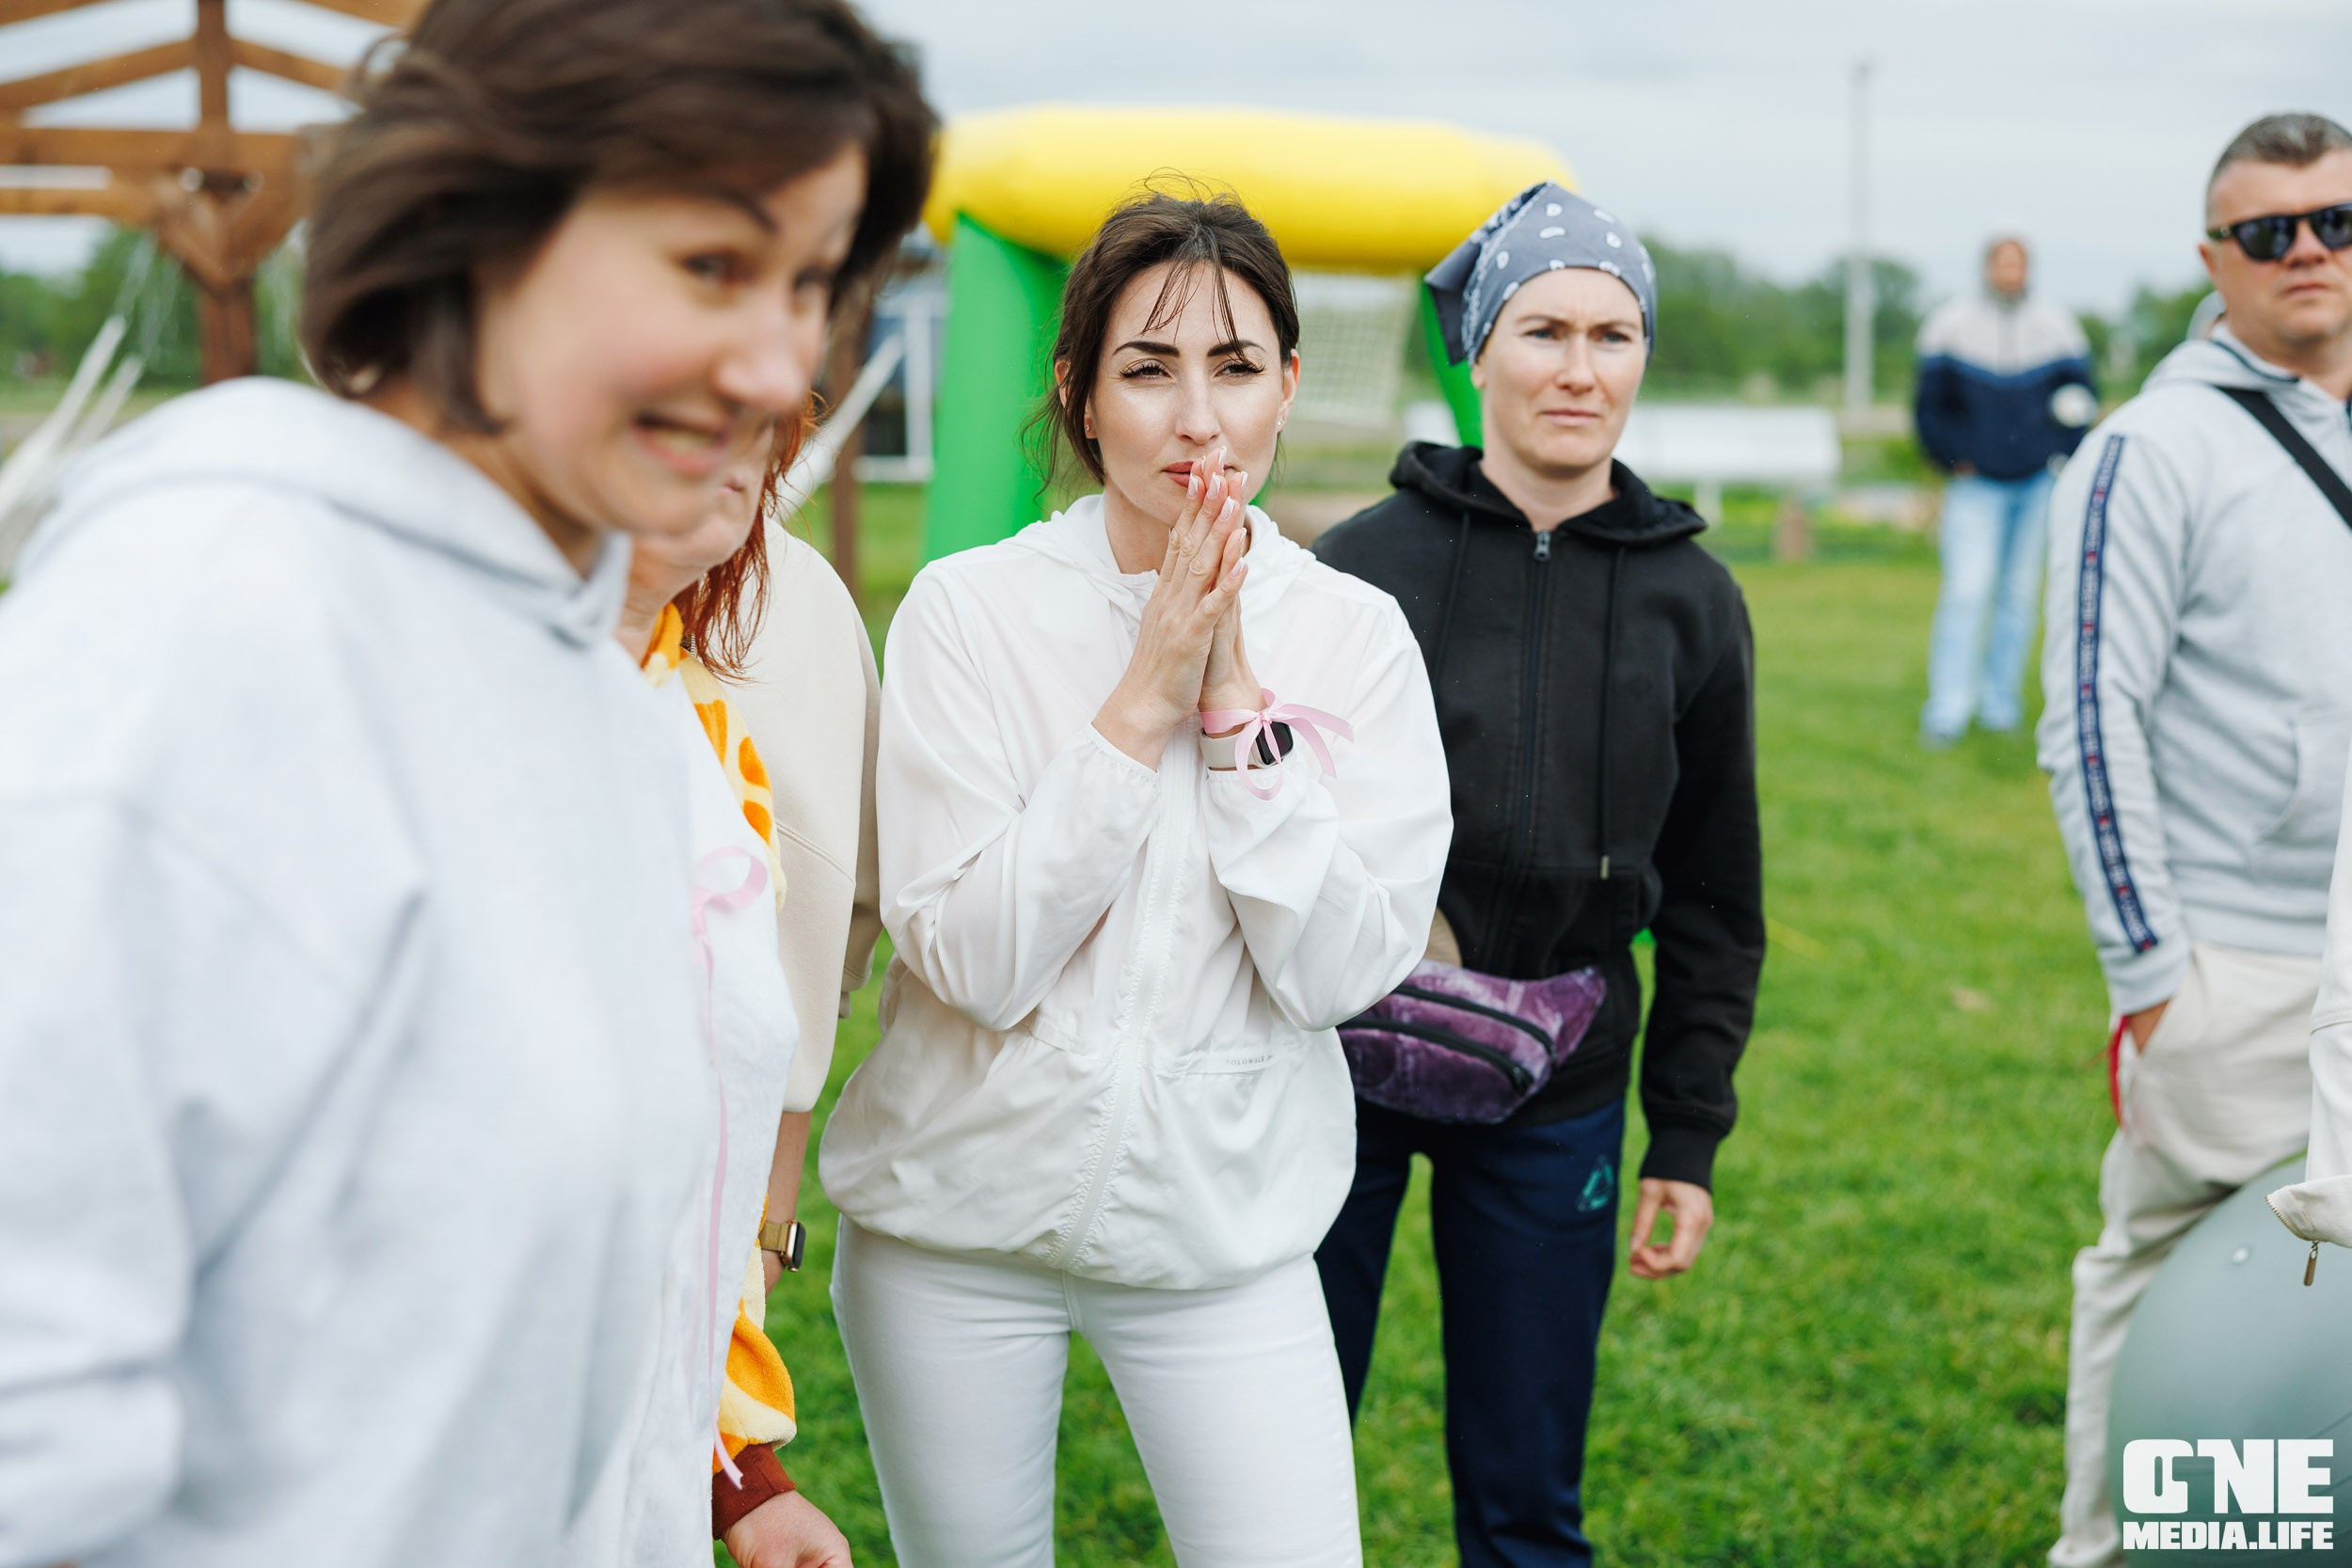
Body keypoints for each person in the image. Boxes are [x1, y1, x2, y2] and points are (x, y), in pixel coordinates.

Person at [0, 1, 930, 1564]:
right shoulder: (202, 634)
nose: (783, 369)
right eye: (715, 265)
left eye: (811, 289)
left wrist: (713, 1485)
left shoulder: (615, 716)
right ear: (471, 226)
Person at [817, 189, 1454, 1568]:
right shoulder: (968, 612)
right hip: (954, 1231)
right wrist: (1144, 695)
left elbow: (1343, 970)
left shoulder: (1357, 636)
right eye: (1147, 368)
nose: (1196, 416)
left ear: (1290, 384)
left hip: (1223, 1239)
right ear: (1081, 398)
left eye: (1234, 366)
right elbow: (974, 958)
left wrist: (1234, 718)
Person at [1309, 183, 1764, 1567]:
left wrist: (1683, 1128)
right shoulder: (1359, 567)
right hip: (1336, 1070)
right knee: (1275, 1464)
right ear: (1480, 351)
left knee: (1524, 1495)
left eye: (1613, 335)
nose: (1579, 368)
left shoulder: (1695, 598)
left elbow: (1716, 885)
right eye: (1544, 329)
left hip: (1559, 1084)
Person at [2036, 111, 2352, 1568]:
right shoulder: (2147, 447)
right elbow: (2089, 723)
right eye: (2271, 230)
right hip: (2233, 956)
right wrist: (2155, 973)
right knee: (2160, 1270)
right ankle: (2101, 1543)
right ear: (2213, 258)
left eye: (2338, 222)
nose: (2310, 253)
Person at [1913, 231, 2097, 748]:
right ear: (1987, 268)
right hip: (1975, 487)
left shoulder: (2058, 327)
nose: (2009, 273)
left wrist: (2061, 452)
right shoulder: (1949, 326)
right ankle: (1948, 709)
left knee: (2018, 595)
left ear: (2028, 269)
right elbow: (1928, 408)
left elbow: (2081, 399)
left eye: (2018, 264)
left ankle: (2000, 705)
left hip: (2036, 482)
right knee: (1967, 591)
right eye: (2002, 264)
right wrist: (1952, 459)